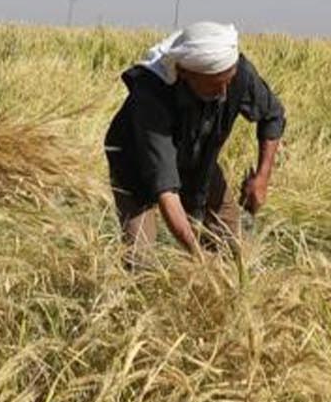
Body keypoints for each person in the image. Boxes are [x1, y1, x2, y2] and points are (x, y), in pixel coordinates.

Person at [104, 22, 286, 259]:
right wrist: (198, 258)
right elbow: (166, 191)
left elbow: (272, 116)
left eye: (228, 81)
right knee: (141, 261)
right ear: (184, 73)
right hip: (137, 163)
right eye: (214, 85)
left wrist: (262, 177)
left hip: (198, 155)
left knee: (234, 248)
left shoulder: (236, 71)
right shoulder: (151, 97)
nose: (223, 92)